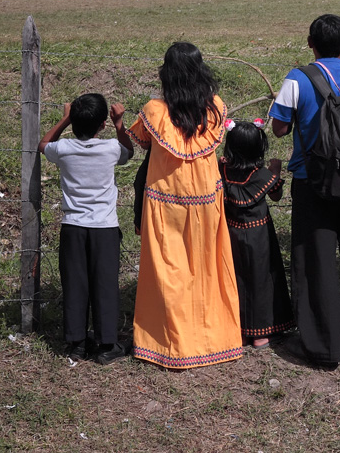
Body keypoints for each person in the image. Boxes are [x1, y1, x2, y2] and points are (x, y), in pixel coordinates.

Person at [269, 15, 340, 369]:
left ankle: (324, 346)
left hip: (312, 182)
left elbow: (279, 130)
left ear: (309, 42)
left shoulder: (297, 79)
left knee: (316, 264)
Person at [127, 42, 242, 369]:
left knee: (168, 271)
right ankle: (213, 340)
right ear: (201, 69)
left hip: (165, 201)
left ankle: (171, 345)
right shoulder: (215, 107)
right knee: (208, 268)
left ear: (167, 73)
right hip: (206, 200)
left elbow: (143, 143)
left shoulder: (154, 111)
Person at [40, 93, 134, 365]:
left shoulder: (64, 149)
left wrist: (64, 119)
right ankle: (107, 345)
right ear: (102, 124)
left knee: (75, 284)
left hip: (73, 228)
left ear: (73, 124)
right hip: (104, 228)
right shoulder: (110, 149)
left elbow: (43, 144)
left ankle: (77, 344)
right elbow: (128, 152)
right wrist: (120, 125)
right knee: (105, 284)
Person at [219, 119, 295, 349]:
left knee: (236, 279)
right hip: (259, 236)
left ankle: (239, 332)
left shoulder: (222, 170)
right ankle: (261, 334)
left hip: (230, 234)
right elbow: (275, 195)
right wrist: (276, 170)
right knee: (262, 281)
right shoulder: (262, 175)